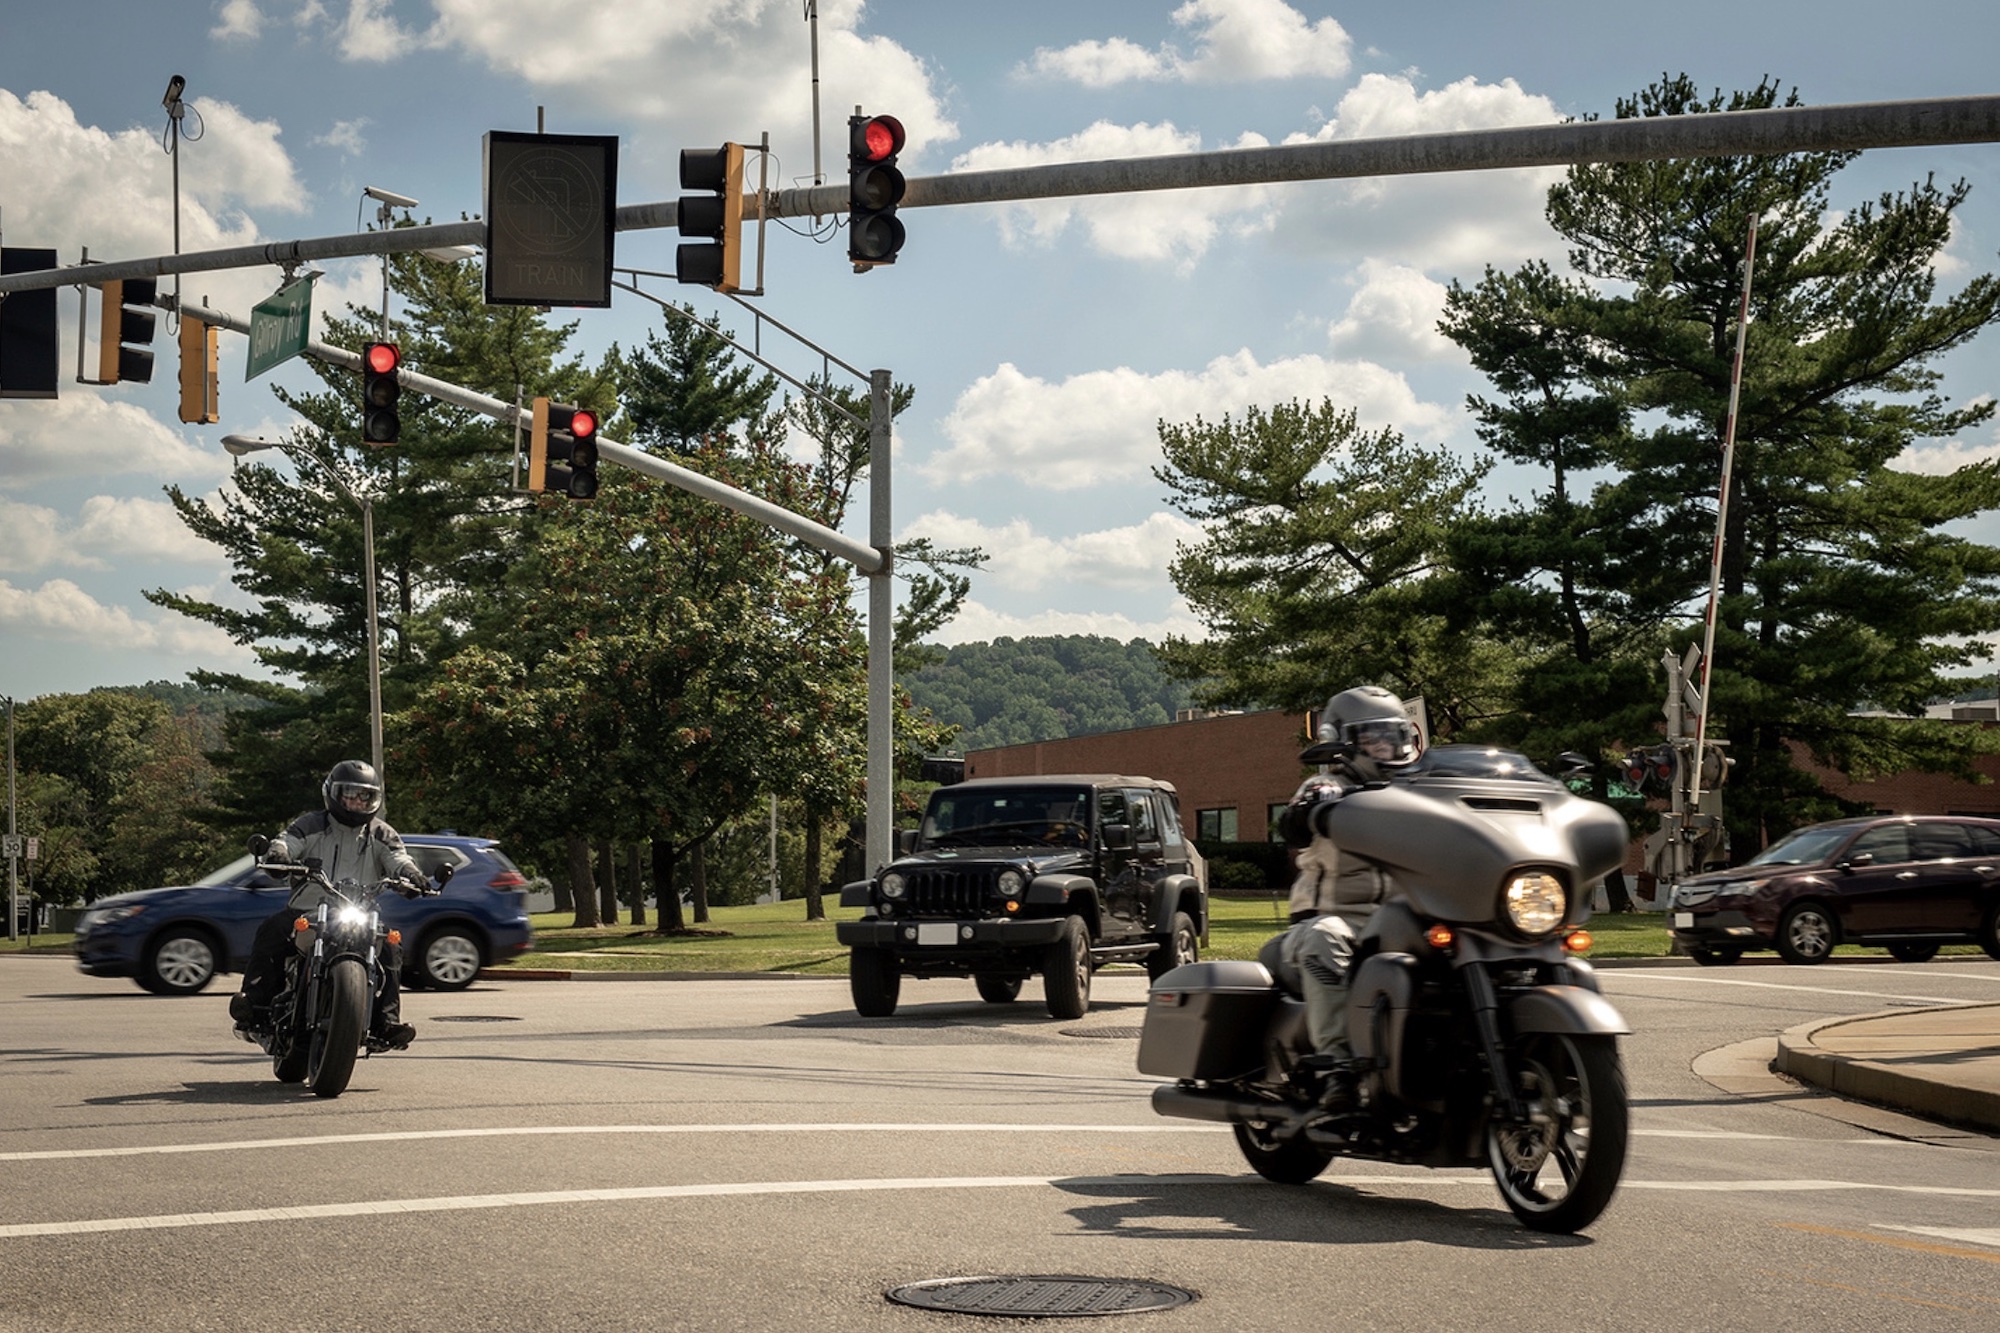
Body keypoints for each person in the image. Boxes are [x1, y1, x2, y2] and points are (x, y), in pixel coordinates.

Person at [1269, 686, 1423, 1106]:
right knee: (1327, 937)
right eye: (1374, 737)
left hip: (1399, 922)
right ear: (1341, 744)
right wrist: (1315, 804)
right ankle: (1337, 1067)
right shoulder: (1323, 785)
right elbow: (1293, 828)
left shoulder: (1419, 792)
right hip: (1329, 919)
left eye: (1395, 736)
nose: (1387, 747)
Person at [229, 760, 429, 1049]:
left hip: (359, 913)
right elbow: (287, 842)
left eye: (365, 796)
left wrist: (412, 875)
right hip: (308, 912)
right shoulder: (311, 824)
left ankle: (386, 1023)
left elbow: (398, 858)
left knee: (390, 946)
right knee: (272, 930)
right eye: (350, 794)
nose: (358, 801)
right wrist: (278, 855)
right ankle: (254, 1007)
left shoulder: (382, 833)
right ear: (333, 794)